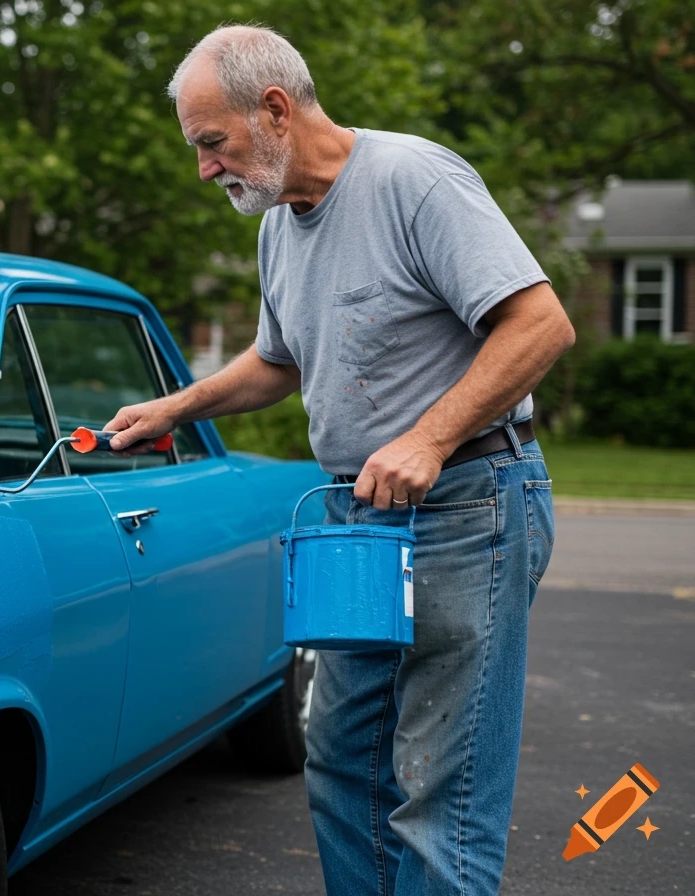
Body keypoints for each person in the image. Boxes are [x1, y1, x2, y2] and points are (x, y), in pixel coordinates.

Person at [103, 24, 575, 896]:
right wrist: (179, 403)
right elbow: (280, 361)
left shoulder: (412, 179)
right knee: (344, 762)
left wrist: (429, 438)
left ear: (275, 109)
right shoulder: (279, 223)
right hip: (360, 522)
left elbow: (540, 323)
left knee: (443, 792)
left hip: (469, 507)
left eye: (212, 143)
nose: (205, 169)